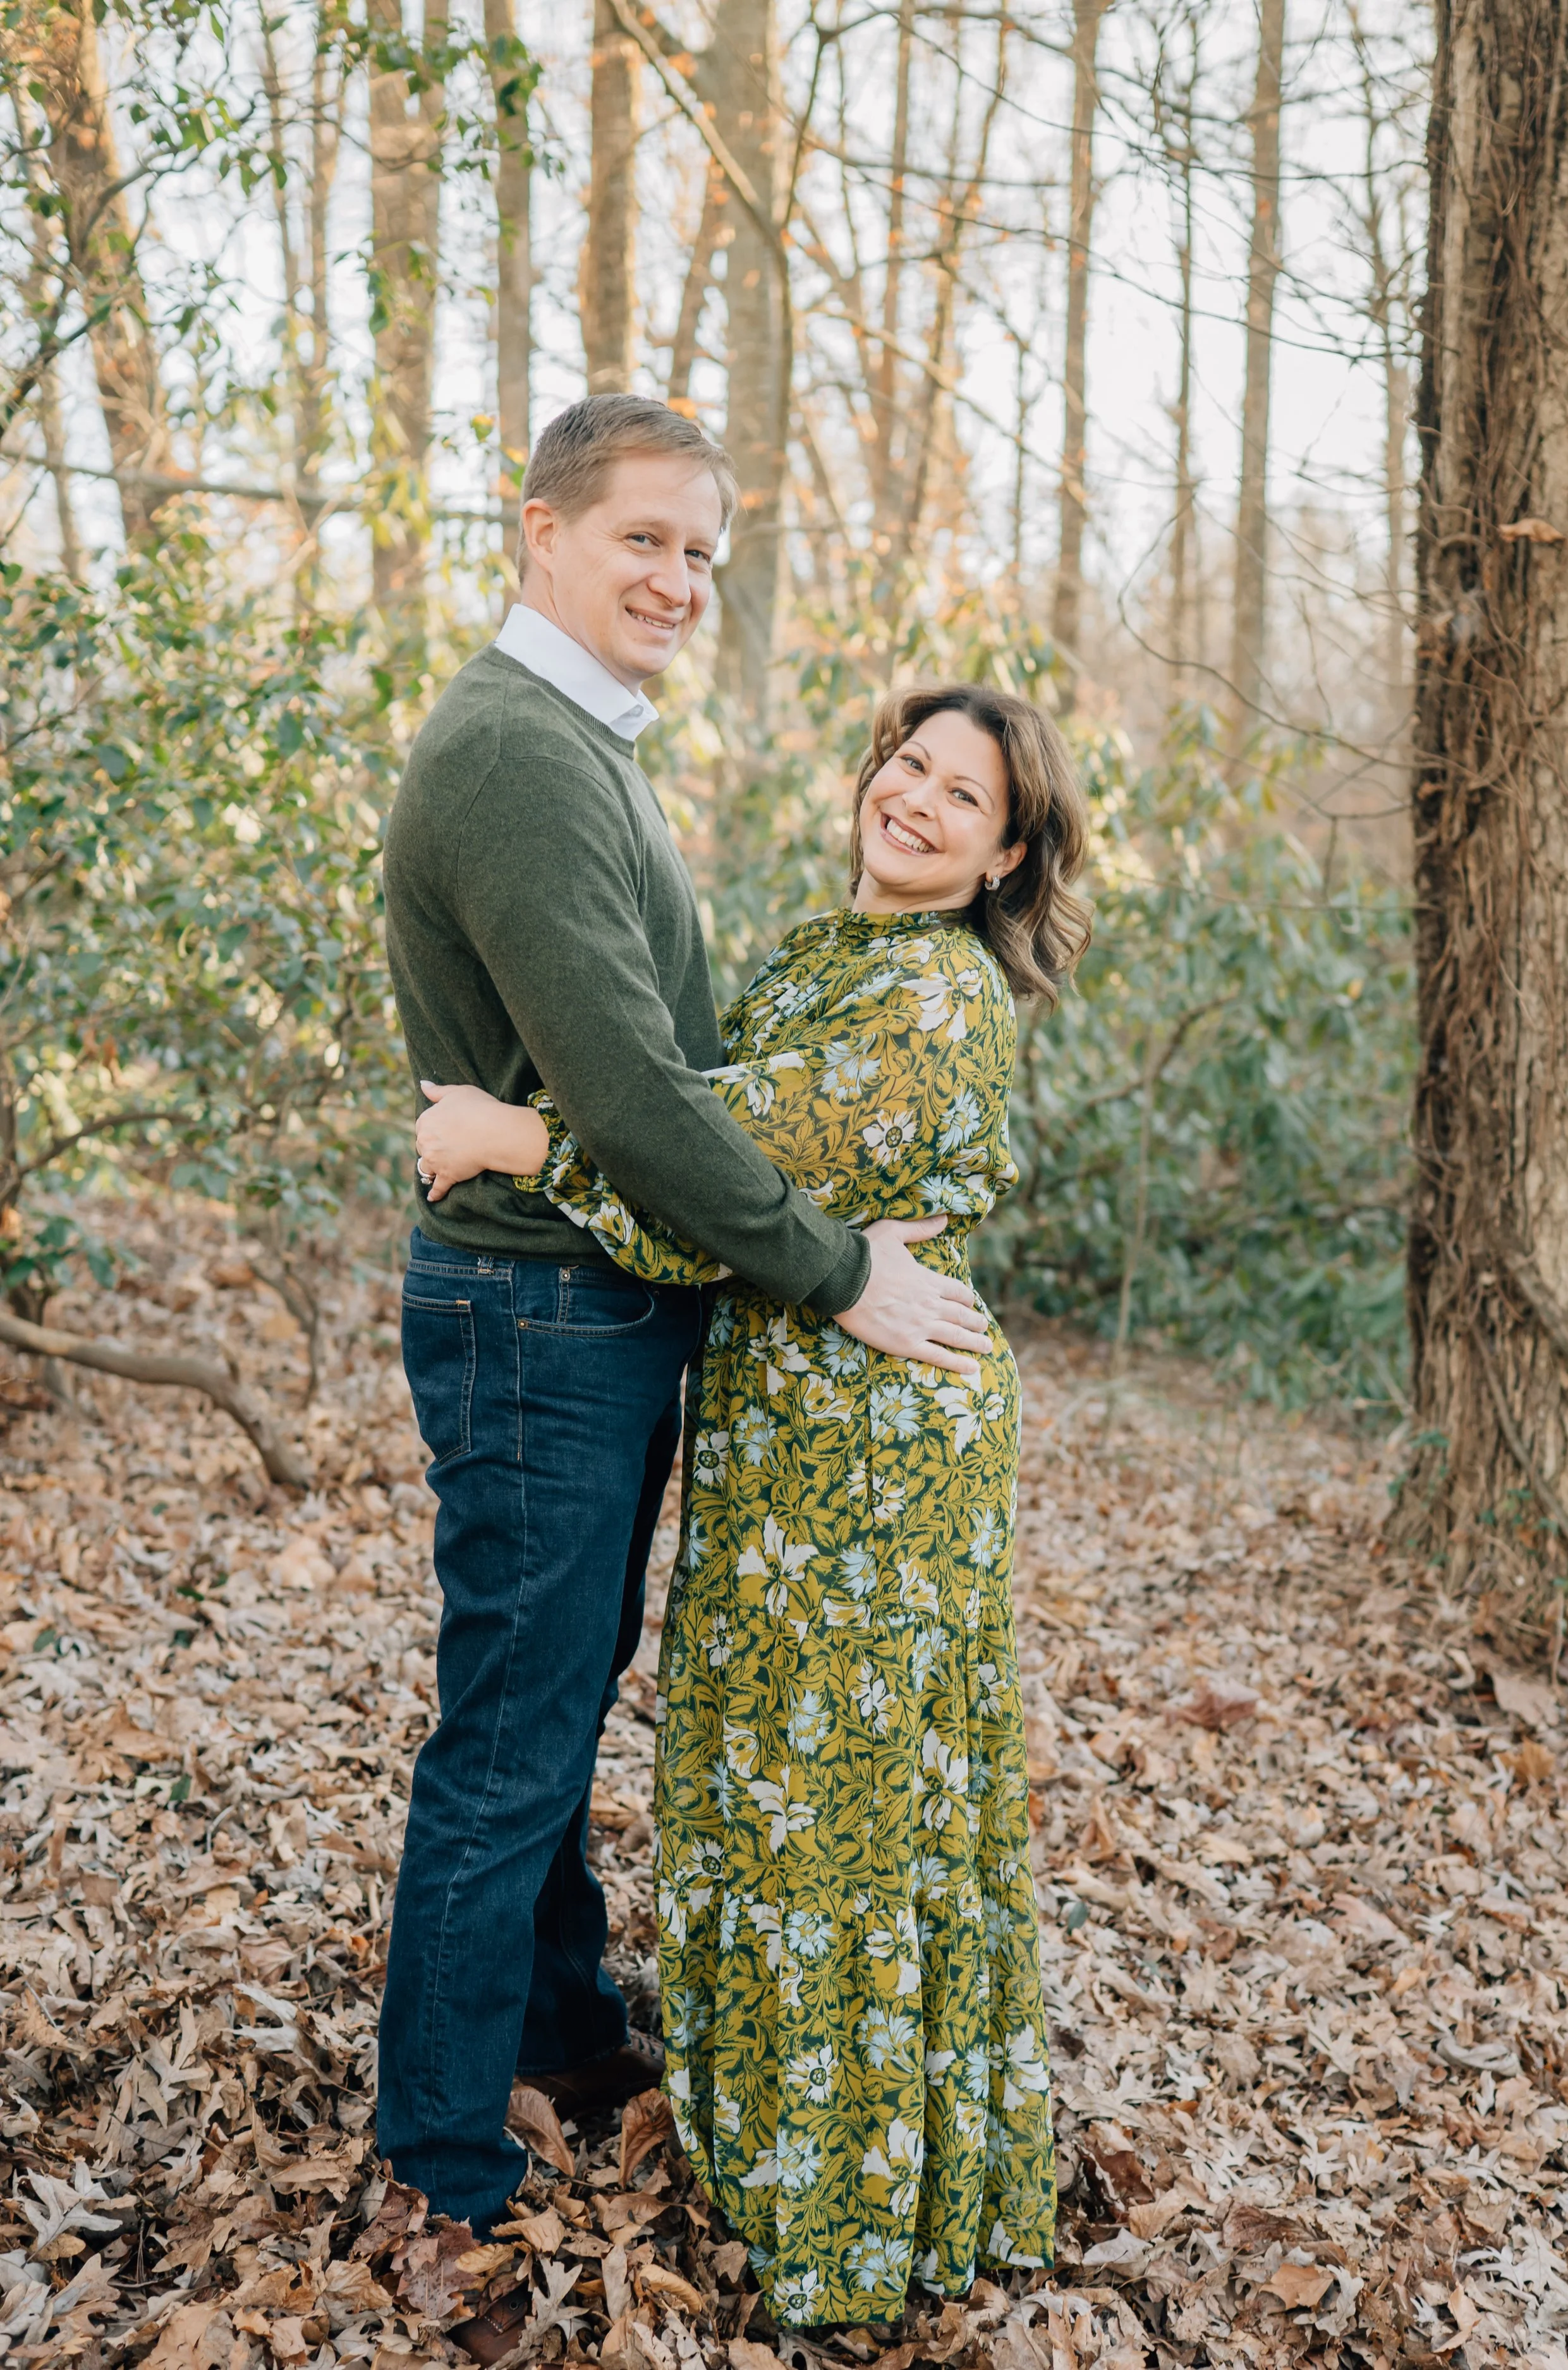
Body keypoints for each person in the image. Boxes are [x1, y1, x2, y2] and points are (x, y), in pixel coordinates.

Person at [378, 394, 991, 2248]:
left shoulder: (584, 741)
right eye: (645, 537)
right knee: (510, 1732)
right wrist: (832, 1268)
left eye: (703, 552)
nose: (677, 577)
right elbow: (645, 1097)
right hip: (536, 1309)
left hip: (594, 1303)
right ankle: (440, 2154)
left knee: (554, 1699)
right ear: (537, 531)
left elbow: (691, 1080)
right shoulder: (513, 753)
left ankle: (562, 2029)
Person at [413, 681, 1091, 2331]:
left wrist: (513, 1130)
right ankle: (779, 2121)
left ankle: (847, 2218)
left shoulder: (936, 1001)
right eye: (906, 764)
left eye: (963, 796)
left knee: (842, 1798)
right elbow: (717, 1144)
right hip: (796, 1424)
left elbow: (717, 1149)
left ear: (1005, 854)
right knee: (777, 1775)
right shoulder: (821, 956)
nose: (918, 800)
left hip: (874, 1450)